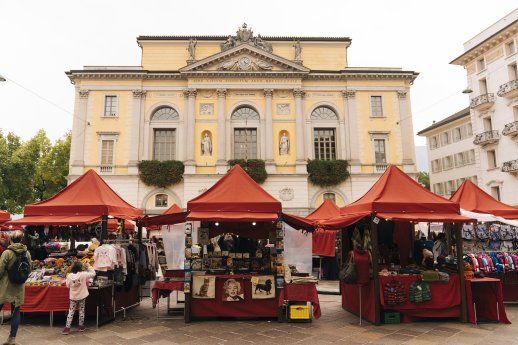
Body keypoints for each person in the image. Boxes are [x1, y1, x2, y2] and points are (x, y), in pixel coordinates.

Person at [0, 230, 32, 345]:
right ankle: (12, 339)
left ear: (10, 239)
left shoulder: (7, 253)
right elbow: (29, 269)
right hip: (19, 286)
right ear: (21, 239)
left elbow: (0, 270)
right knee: (16, 310)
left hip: (5, 286)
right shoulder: (26, 252)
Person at [62, 261, 96, 335]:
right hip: (82, 296)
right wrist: (89, 266)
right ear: (81, 267)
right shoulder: (83, 274)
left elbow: (67, 285)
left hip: (73, 297)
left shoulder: (69, 276)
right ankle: (81, 326)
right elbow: (93, 274)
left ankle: (67, 328)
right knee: (81, 310)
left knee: (71, 311)